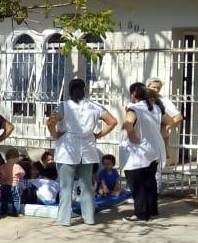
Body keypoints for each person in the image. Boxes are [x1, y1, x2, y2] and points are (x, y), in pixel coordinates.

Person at [47, 78, 118, 227]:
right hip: (87, 149)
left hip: (67, 149)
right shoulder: (94, 106)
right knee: (87, 186)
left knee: (66, 187)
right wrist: (99, 134)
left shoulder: (64, 106)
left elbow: (50, 122)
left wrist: (55, 135)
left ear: (69, 90)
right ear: (84, 90)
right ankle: (89, 218)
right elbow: (113, 121)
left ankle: (64, 219)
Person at [120, 82, 170, 222]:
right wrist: (160, 133)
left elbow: (128, 123)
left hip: (138, 152)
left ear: (133, 94)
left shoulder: (134, 108)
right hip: (153, 149)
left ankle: (141, 214)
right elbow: (170, 121)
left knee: (137, 183)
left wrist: (132, 136)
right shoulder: (155, 108)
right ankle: (152, 210)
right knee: (149, 181)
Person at [0, 148, 26, 217]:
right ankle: (15, 213)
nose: (18, 160)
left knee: (4, 200)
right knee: (16, 199)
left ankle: (4, 212)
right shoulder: (17, 166)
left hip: (4, 185)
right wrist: (20, 177)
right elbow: (23, 173)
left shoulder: (2, 166)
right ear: (14, 158)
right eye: (17, 158)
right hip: (14, 185)